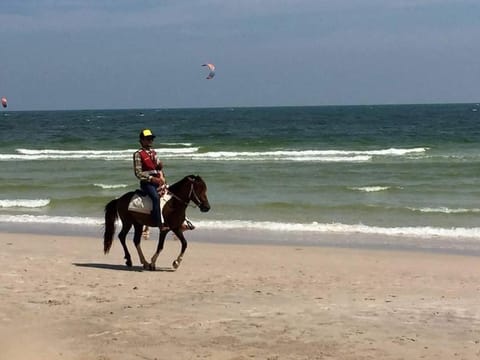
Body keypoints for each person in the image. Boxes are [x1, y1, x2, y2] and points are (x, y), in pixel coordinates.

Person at [133, 129, 166, 228]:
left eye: (151, 138)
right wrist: (151, 179)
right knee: (155, 198)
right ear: (141, 141)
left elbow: (158, 168)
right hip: (147, 183)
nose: (150, 141)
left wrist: (161, 171)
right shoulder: (138, 154)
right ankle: (158, 223)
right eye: (147, 139)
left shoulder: (153, 152)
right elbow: (138, 173)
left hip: (158, 181)